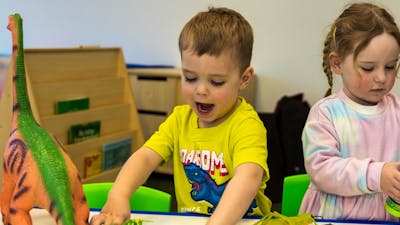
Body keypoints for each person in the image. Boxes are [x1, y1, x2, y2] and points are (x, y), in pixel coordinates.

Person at [90, 7, 272, 225]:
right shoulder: (179, 119)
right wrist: (119, 194)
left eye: (216, 82)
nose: (201, 91)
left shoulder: (247, 125)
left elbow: (248, 177)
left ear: (244, 79)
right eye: (190, 77)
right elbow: (146, 157)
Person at [300, 2, 400, 222]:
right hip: (333, 219)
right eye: (368, 67)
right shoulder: (325, 114)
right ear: (337, 64)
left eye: (390, 66)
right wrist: (377, 175)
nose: (382, 77)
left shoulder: (397, 111)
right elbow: (322, 170)